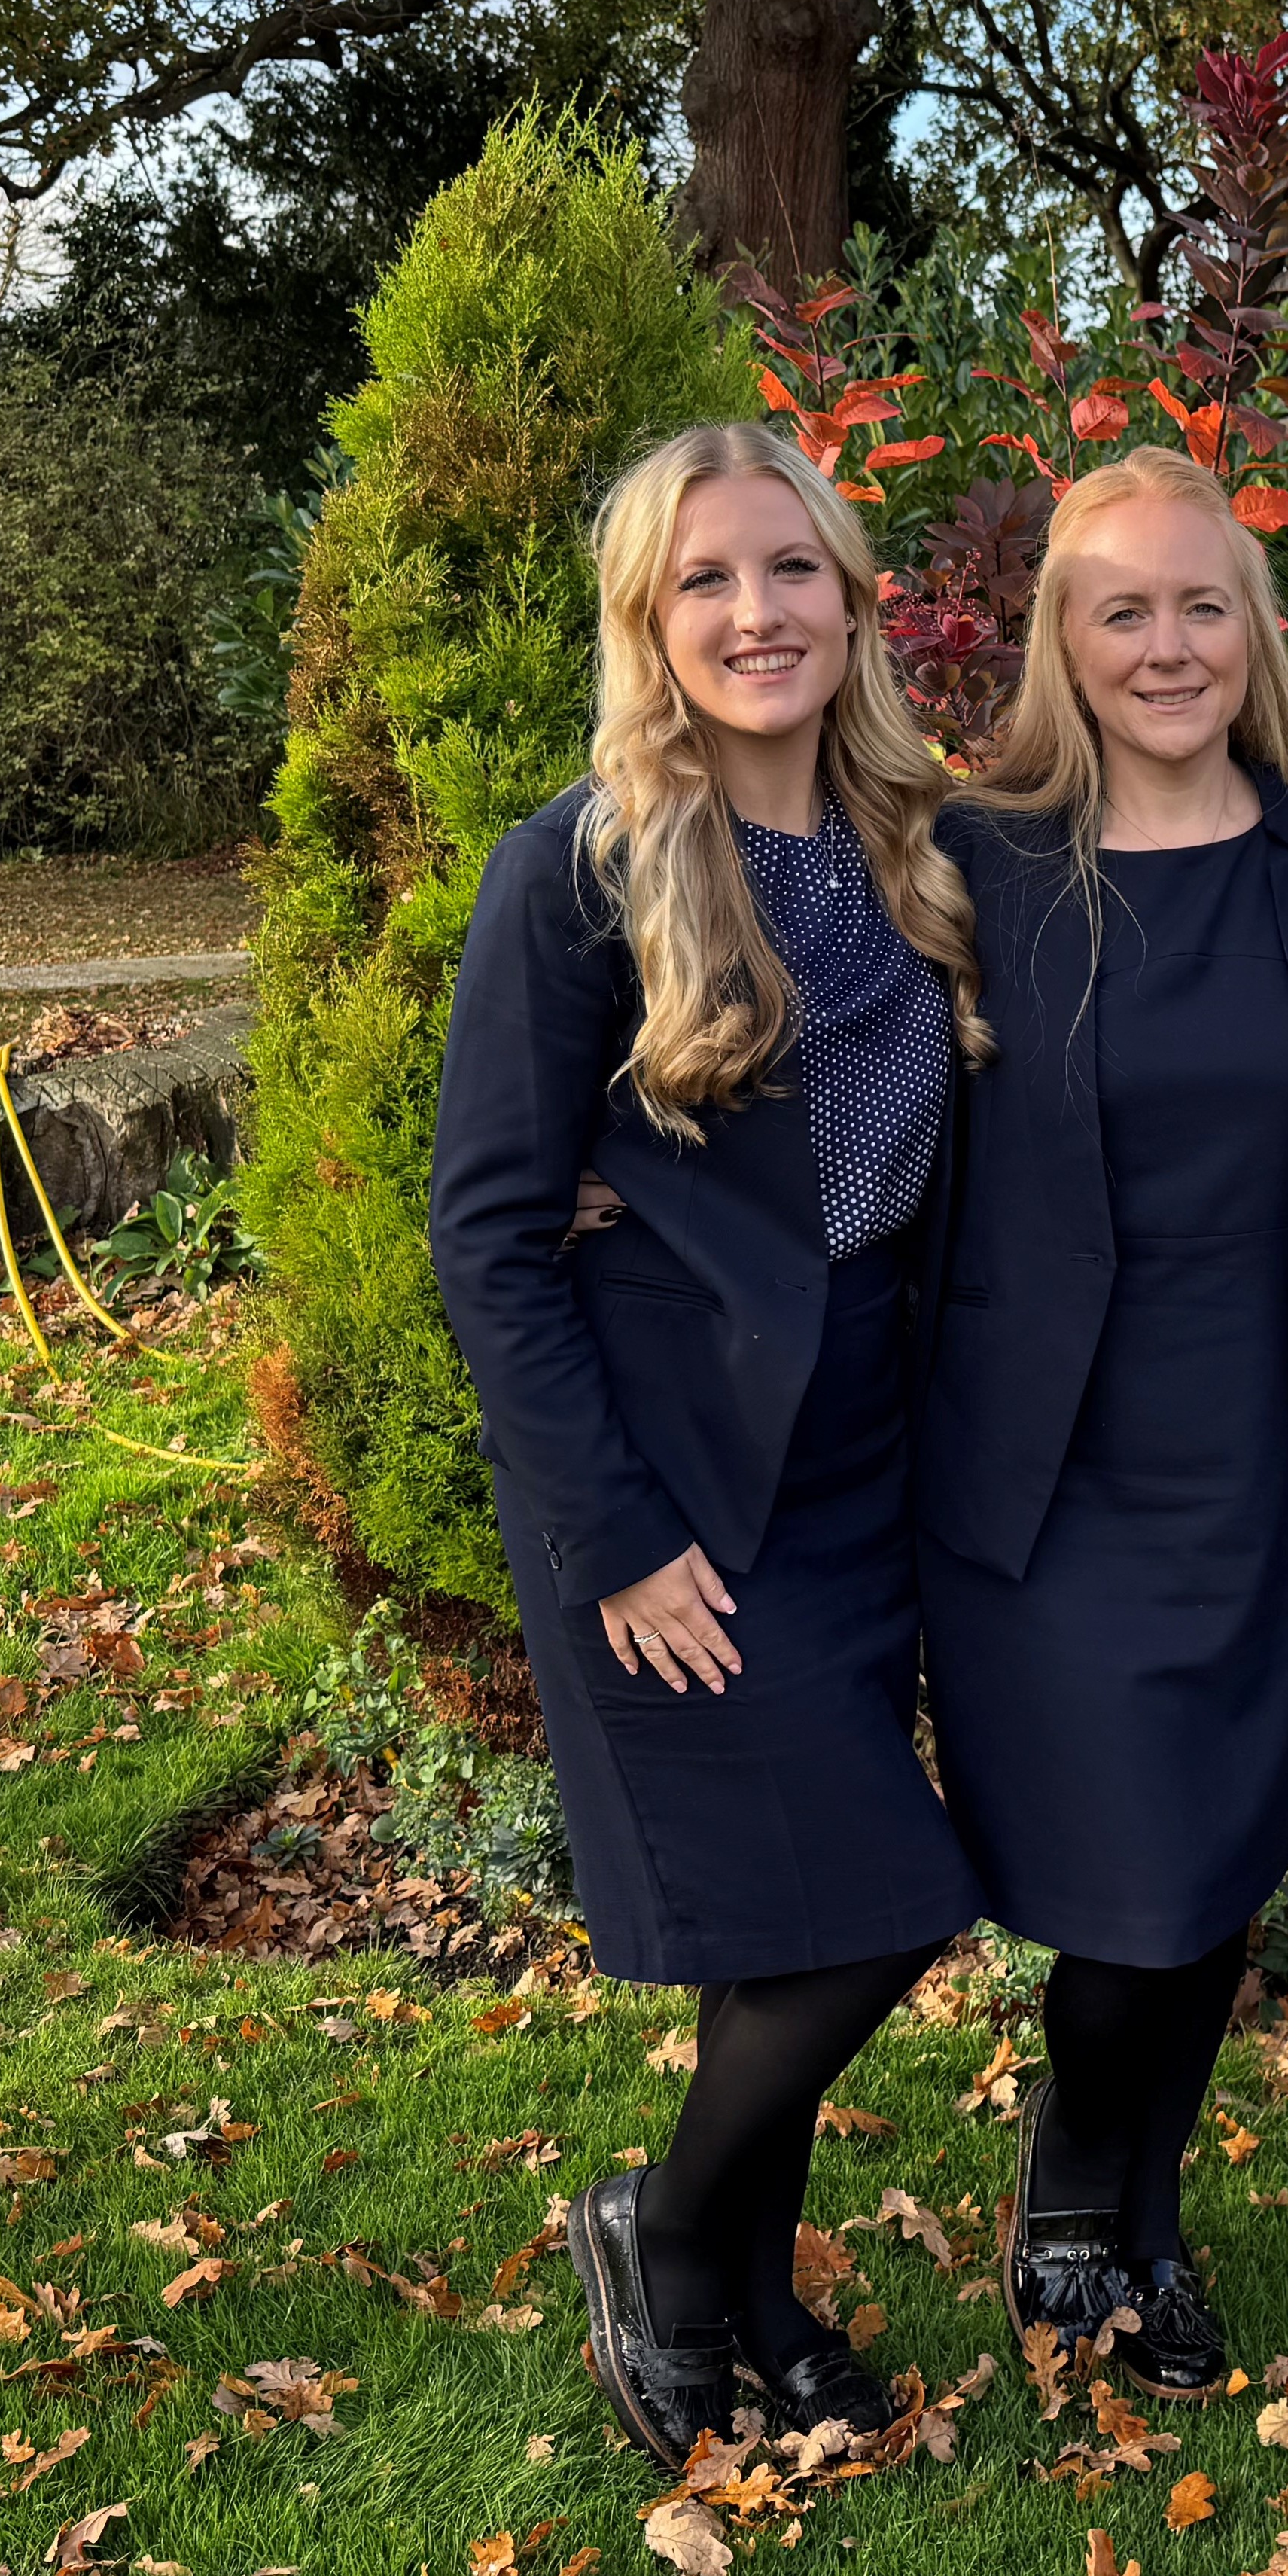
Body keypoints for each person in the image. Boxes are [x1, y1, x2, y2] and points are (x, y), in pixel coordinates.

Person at [429, 422, 990, 2467]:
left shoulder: (922, 844)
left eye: (790, 571)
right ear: (650, 626)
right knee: (879, 1896)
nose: (755, 614)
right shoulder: (580, 868)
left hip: (863, 1462)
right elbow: (488, 1234)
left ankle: (752, 2289)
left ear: (851, 599)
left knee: (790, 1912)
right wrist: (615, 1536)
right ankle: (663, 2236)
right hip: (667, 1484)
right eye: (705, 583)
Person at [913, 444, 1288, 2401]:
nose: (1166, 642)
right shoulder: (976, 860)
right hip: (1042, 1472)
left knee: (1207, 1869)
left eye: (1203, 603)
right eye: (1121, 606)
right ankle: (1072, 2187)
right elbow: (845, 1110)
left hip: (1270, 1458)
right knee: (1118, 1887)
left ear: (1254, 629)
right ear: (1061, 634)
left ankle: (1137, 2206)